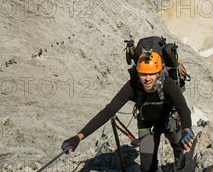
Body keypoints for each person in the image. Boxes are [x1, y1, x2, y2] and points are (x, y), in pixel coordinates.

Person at [61, 52, 194, 172]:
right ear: (138, 73)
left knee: (178, 146)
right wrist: (78, 137)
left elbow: (183, 108)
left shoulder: (168, 84)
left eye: (151, 74)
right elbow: (108, 111)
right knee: (147, 168)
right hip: (146, 125)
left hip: (169, 121)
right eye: (143, 74)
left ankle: (179, 163)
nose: (147, 78)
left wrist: (186, 128)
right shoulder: (132, 86)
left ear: (159, 73)